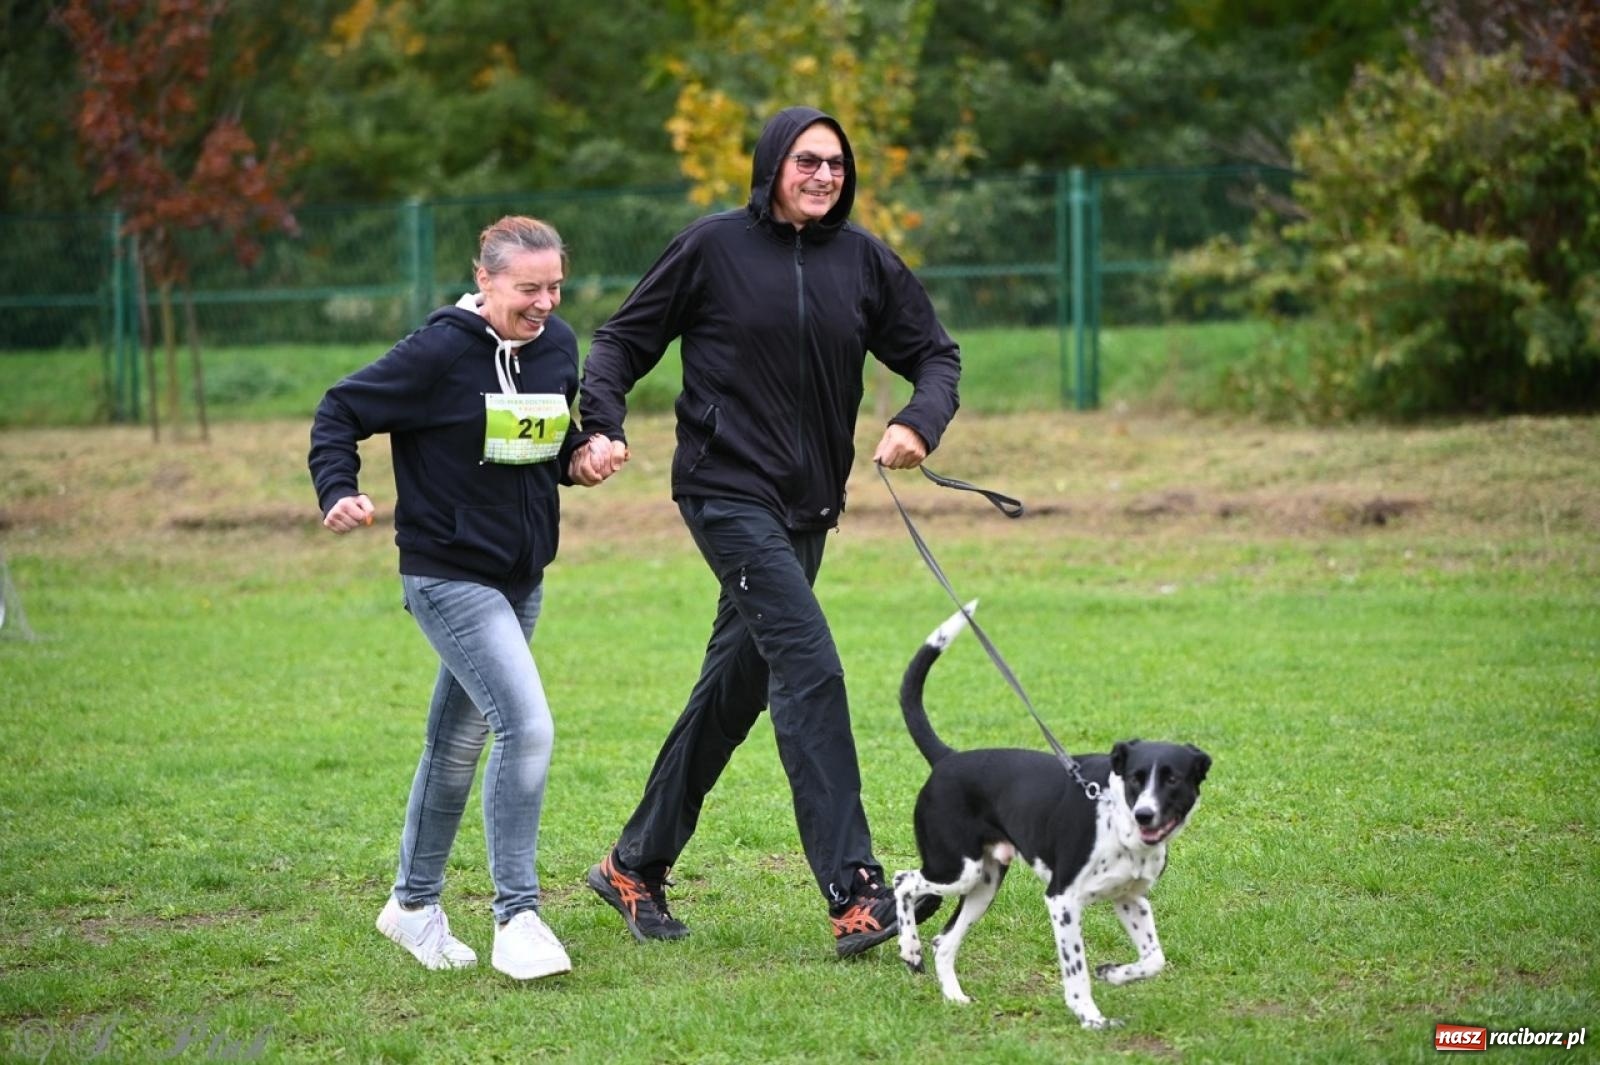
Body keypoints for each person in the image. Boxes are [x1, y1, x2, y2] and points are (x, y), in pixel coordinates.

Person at [571, 105, 961, 958]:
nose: (824, 175)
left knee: (736, 685)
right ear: (772, 164)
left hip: (809, 505)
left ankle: (633, 862)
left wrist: (919, 424)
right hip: (724, 491)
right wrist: (603, 423)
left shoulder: (864, 262)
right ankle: (858, 893)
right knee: (810, 663)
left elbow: (936, 354)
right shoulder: (712, 248)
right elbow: (620, 342)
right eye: (807, 161)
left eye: (836, 164)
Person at [309, 215, 611, 981]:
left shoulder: (557, 345)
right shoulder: (439, 351)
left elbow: (547, 446)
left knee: (455, 747)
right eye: (527, 288)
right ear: (484, 280)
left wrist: (582, 454)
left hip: (522, 577)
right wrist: (338, 489)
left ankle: (411, 907)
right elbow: (340, 410)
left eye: (555, 287)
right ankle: (518, 915)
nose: (545, 303)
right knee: (528, 728)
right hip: (446, 574)